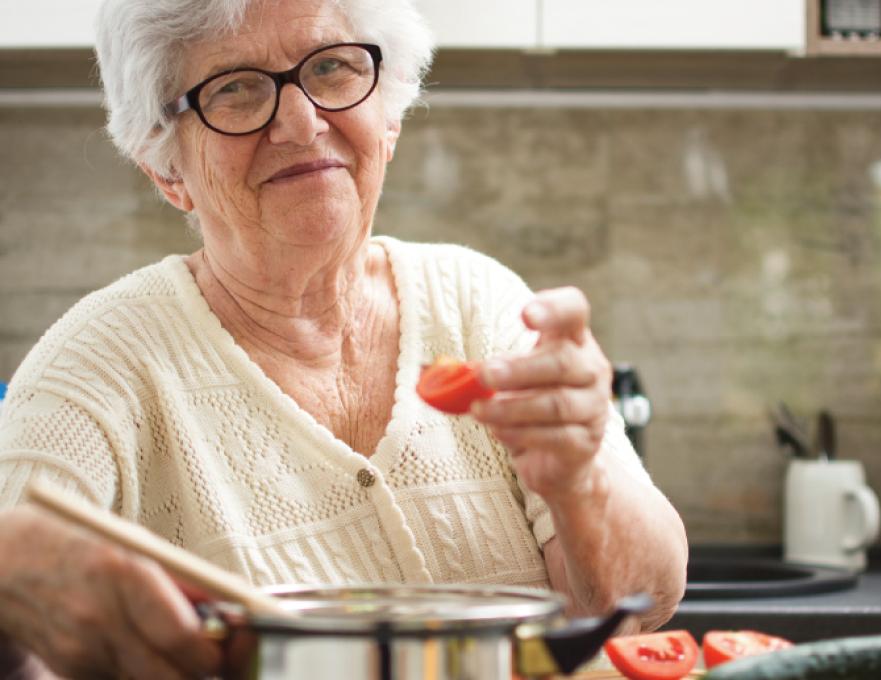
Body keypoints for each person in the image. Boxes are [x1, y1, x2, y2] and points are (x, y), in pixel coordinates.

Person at [0, 0, 688, 677]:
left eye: (331, 68)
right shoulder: (98, 362)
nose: (301, 123)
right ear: (167, 170)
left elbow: (642, 605)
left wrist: (580, 483)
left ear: (386, 119)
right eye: (233, 90)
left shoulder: (480, 302)